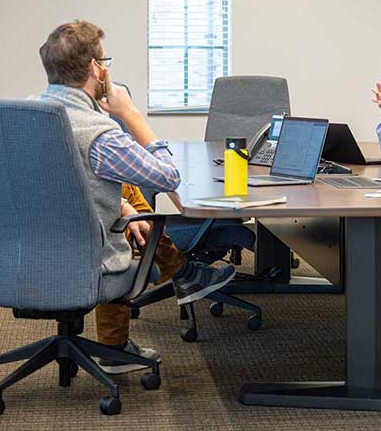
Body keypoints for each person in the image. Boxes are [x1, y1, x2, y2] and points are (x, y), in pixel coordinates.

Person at [36, 20, 235, 374]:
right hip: (88, 258)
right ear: (96, 69)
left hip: (26, 255)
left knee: (123, 191)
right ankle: (182, 274)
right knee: (124, 201)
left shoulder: (24, 116)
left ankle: (180, 277)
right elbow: (170, 177)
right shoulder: (101, 134)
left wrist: (123, 204)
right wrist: (131, 114)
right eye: (105, 61)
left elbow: (59, 183)